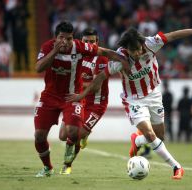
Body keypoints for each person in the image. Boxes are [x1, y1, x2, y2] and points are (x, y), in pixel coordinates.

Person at [66, 23, 192, 179]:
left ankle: (137, 140)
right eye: (134, 51)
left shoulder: (151, 43)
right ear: (127, 48)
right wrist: (81, 95)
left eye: (139, 49)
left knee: (159, 137)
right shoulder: (120, 59)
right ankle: (177, 167)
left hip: (154, 95)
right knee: (151, 135)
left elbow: (174, 34)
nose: (138, 53)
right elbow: (100, 77)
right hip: (134, 100)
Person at [34, 21, 129, 177]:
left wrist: (122, 59)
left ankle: (67, 164)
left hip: (86, 100)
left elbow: (104, 57)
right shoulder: (47, 47)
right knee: (44, 135)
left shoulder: (83, 50)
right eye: (61, 38)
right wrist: (55, 51)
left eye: (69, 38)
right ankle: (47, 168)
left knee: (75, 132)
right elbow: (38, 68)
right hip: (51, 96)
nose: (65, 42)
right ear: (55, 38)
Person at [58, 28, 110, 174]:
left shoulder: (101, 59)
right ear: (81, 42)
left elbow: (95, 85)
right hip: (78, 101)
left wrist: (77, 84)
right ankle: (85, 134)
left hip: (96, 105)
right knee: (63, 136)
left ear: (97, 42)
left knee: (76, 136)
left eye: (92, 42)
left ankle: (67, 165)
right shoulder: (75, 55)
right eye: (86, 41)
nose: (89, 44)